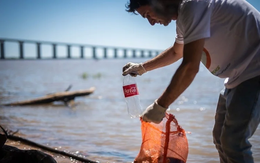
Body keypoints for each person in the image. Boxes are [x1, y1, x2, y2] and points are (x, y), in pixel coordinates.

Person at [122, 0, 260, 162]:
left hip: (254, 70)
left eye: (148, 14)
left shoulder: (193, 4)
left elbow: (190, 67)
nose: (151, 23)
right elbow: (176, 52)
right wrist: (142, 67)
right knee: (220, 139)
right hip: (236, 77)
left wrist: (160, 106)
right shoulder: (184, 16)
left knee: (233, 142)